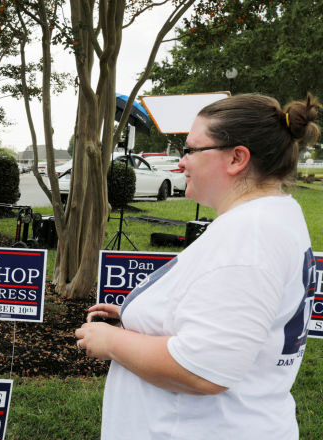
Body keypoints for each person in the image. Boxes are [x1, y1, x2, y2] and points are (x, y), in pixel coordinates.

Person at [75, 93, 319, 439]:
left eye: (191, 150)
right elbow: (236, 317)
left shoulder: (250, 234)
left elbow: (206, 369)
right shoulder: (274, 214)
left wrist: (111, 341)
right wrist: (148, 318)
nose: (180, 163)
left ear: (236, 158)